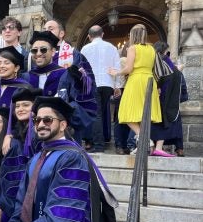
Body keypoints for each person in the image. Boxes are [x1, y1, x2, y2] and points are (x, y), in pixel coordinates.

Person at [10, 96, 112, 222]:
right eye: (37, 120)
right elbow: (24, 201)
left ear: (63, 125)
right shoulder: (36, 158)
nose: (41, 124)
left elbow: (66, 209)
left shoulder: (72, 157)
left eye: (47, 120)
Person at [23, 31, 96, 144]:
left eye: (43, 50)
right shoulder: (25, 77)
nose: (38, 53)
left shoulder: (66, 74)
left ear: (53, 52)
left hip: (61, 134)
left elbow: (80, 105)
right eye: (34, 50)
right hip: (30, 136)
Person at [108, 24, 162, 155]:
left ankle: (144, 140)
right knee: (144, 114)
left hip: (136, 80)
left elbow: (128, 69)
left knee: (125, 112)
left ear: (133, 35)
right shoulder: (151, 48)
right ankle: (143, 142)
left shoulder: (133, 48)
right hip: (149, 81)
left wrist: (115, 72)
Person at [81, 25, 121, 153]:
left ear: (89, 36)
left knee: (96, 114)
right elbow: (117, 67)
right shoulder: (112, 47)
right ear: (102, 34)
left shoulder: (85, 48)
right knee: (102, 113)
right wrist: (117, 86)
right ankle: (102, 140)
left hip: (93, 84)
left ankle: (98, 145)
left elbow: (81, 68)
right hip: (108, 83)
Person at [150, 41, 188, 157]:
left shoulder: (153, 61)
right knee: (168, 122)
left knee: (156, 122)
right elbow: (172, 76)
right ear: (165, 51)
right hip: (168, 99)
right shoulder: (167, 62)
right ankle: (170, 148)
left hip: (156, 98)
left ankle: (153, 147)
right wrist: (178, 69)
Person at [0, 17, 29, 84]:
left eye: (11, 28)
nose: (7, 30)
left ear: (19, 32)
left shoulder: (28, 56)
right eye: (4, 28)